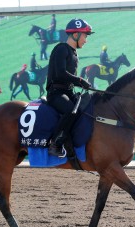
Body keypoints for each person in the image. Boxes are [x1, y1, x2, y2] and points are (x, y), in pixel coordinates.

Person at [45, 18, 93, 157]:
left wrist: (81, 83)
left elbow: (69, 78)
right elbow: (60, 73)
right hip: (56, 93)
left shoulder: (73, 53)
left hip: (68, 91)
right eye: (85, 36)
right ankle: (55, 144)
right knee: (70, 111)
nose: (86, 40)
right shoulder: (61, 48)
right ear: (76, 34)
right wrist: (80, 80)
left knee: (86, 106)